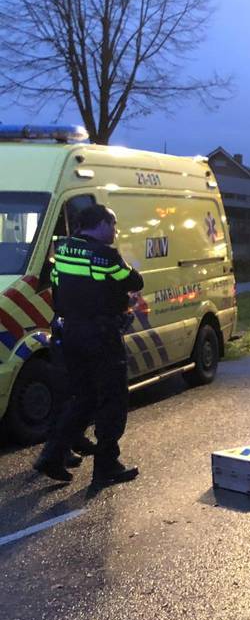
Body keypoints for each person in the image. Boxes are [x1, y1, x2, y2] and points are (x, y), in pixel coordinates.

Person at [34, 205, 144, 484]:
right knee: (112, 399)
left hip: (70, 332)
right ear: (102, 224)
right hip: (101, 334)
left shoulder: (63, 251)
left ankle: (52, 455)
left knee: (82, 397)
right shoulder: (106, 255)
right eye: (114, 224)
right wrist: (121, 301)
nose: (115, 231)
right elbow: (134, 280)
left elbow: (59, 287)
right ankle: (106, 466)